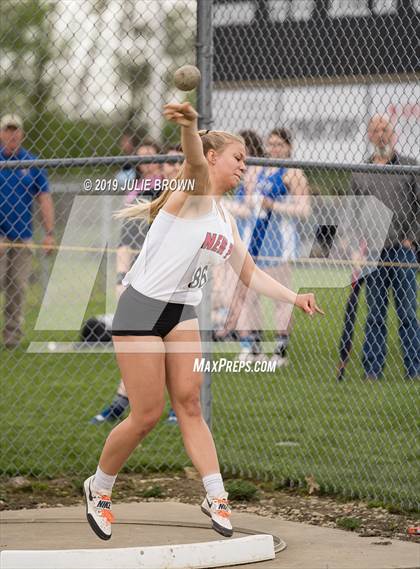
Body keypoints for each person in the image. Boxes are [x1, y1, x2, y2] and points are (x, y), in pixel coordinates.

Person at [83, 101, 323, 541]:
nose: (243, 167)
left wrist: (295, 296)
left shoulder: (224, 217)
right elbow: (194, 161)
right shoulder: (190, 195)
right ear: (214, 158)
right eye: (238, 159)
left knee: (190, 405)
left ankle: (215, 495)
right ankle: (99, 489)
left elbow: (248, 272)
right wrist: (192, 126)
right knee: (147, 415)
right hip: (141, 308)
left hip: (180, 312)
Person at [90, 145, 182, 425]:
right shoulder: (150, 195)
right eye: (168, 163)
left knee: (171, 345)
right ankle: (124, 402)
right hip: (146, 282)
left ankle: (176, 406)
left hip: (179, 282)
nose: (173, 167)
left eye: (180, 162)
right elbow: (126, 241)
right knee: (142, 344)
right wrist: (121, 279)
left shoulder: (193, 197)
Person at [230, 128, 311, 364]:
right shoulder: (258, 169)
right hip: (253, 242)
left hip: (278, 244)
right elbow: (245, 201)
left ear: (288, 147)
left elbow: (304, 210)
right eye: (271, 144)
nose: (274, 149)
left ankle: (279, 350)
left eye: (279, 145)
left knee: (279, 298)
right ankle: (254, 348)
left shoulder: (292, 173)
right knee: (249, 296)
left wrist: (272, 205)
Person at [351, 114, 419, 380]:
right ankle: (372, 370)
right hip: (373, 253)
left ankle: (414, 369)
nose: (381, 134)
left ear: (394, 134)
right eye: (376, 130)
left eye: (385, 129)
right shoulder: (360, 171)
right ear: (369, 136)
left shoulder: (410, 166)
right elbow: (353, 213)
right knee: (375, 314)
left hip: (402, 251)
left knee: (407, 313)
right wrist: (359, 245)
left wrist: (411, 239)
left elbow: (419, 207)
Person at [0, 114, 55, 348]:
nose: (12, 134)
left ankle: (12, 338)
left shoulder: (31, 162)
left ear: (21, 134)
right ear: (1, 133)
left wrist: (49, 233)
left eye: (16, 130)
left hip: (23, 236)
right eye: (8, 130)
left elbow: (44, 198)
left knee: (18, 287)